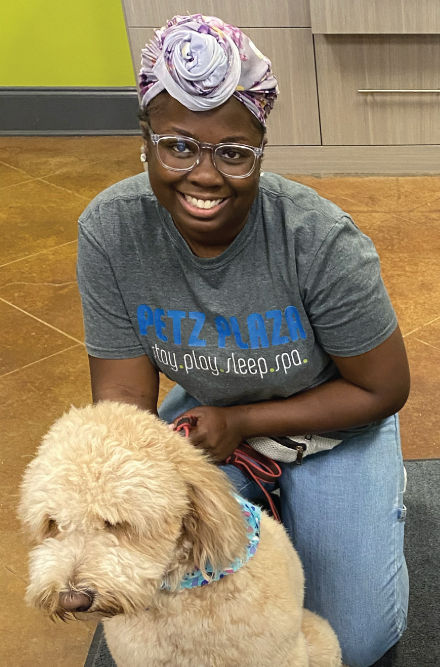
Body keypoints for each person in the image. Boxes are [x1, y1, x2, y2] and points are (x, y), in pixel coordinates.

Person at [77, 15, 408, 666]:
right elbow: (121, 408)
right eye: (177, 146)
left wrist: (244, 420)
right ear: (144, 142)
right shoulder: (110, 232)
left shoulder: (320, 240)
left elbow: (384, 386)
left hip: (334, 415)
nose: (204, 175)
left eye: (232, 152)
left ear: (259, 149)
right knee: (171, 610)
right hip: (207, 418)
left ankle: (380, 491)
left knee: (358, 640)